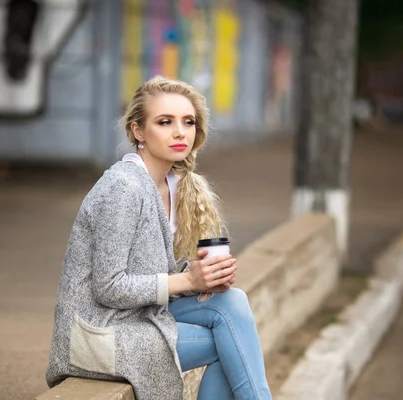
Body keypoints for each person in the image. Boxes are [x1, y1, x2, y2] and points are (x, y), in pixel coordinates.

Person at [46, 76, 272, 400]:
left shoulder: (170, 184)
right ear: (138, 131)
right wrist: (187, 281)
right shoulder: (123, 188)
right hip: (100, 332)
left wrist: (202, 278)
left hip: (141, 318)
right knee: (231, 342)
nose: (180, 132)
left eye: (188, 122)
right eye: (165, 122)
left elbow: (154, 276)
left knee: (232, 302)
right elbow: (108, 287)